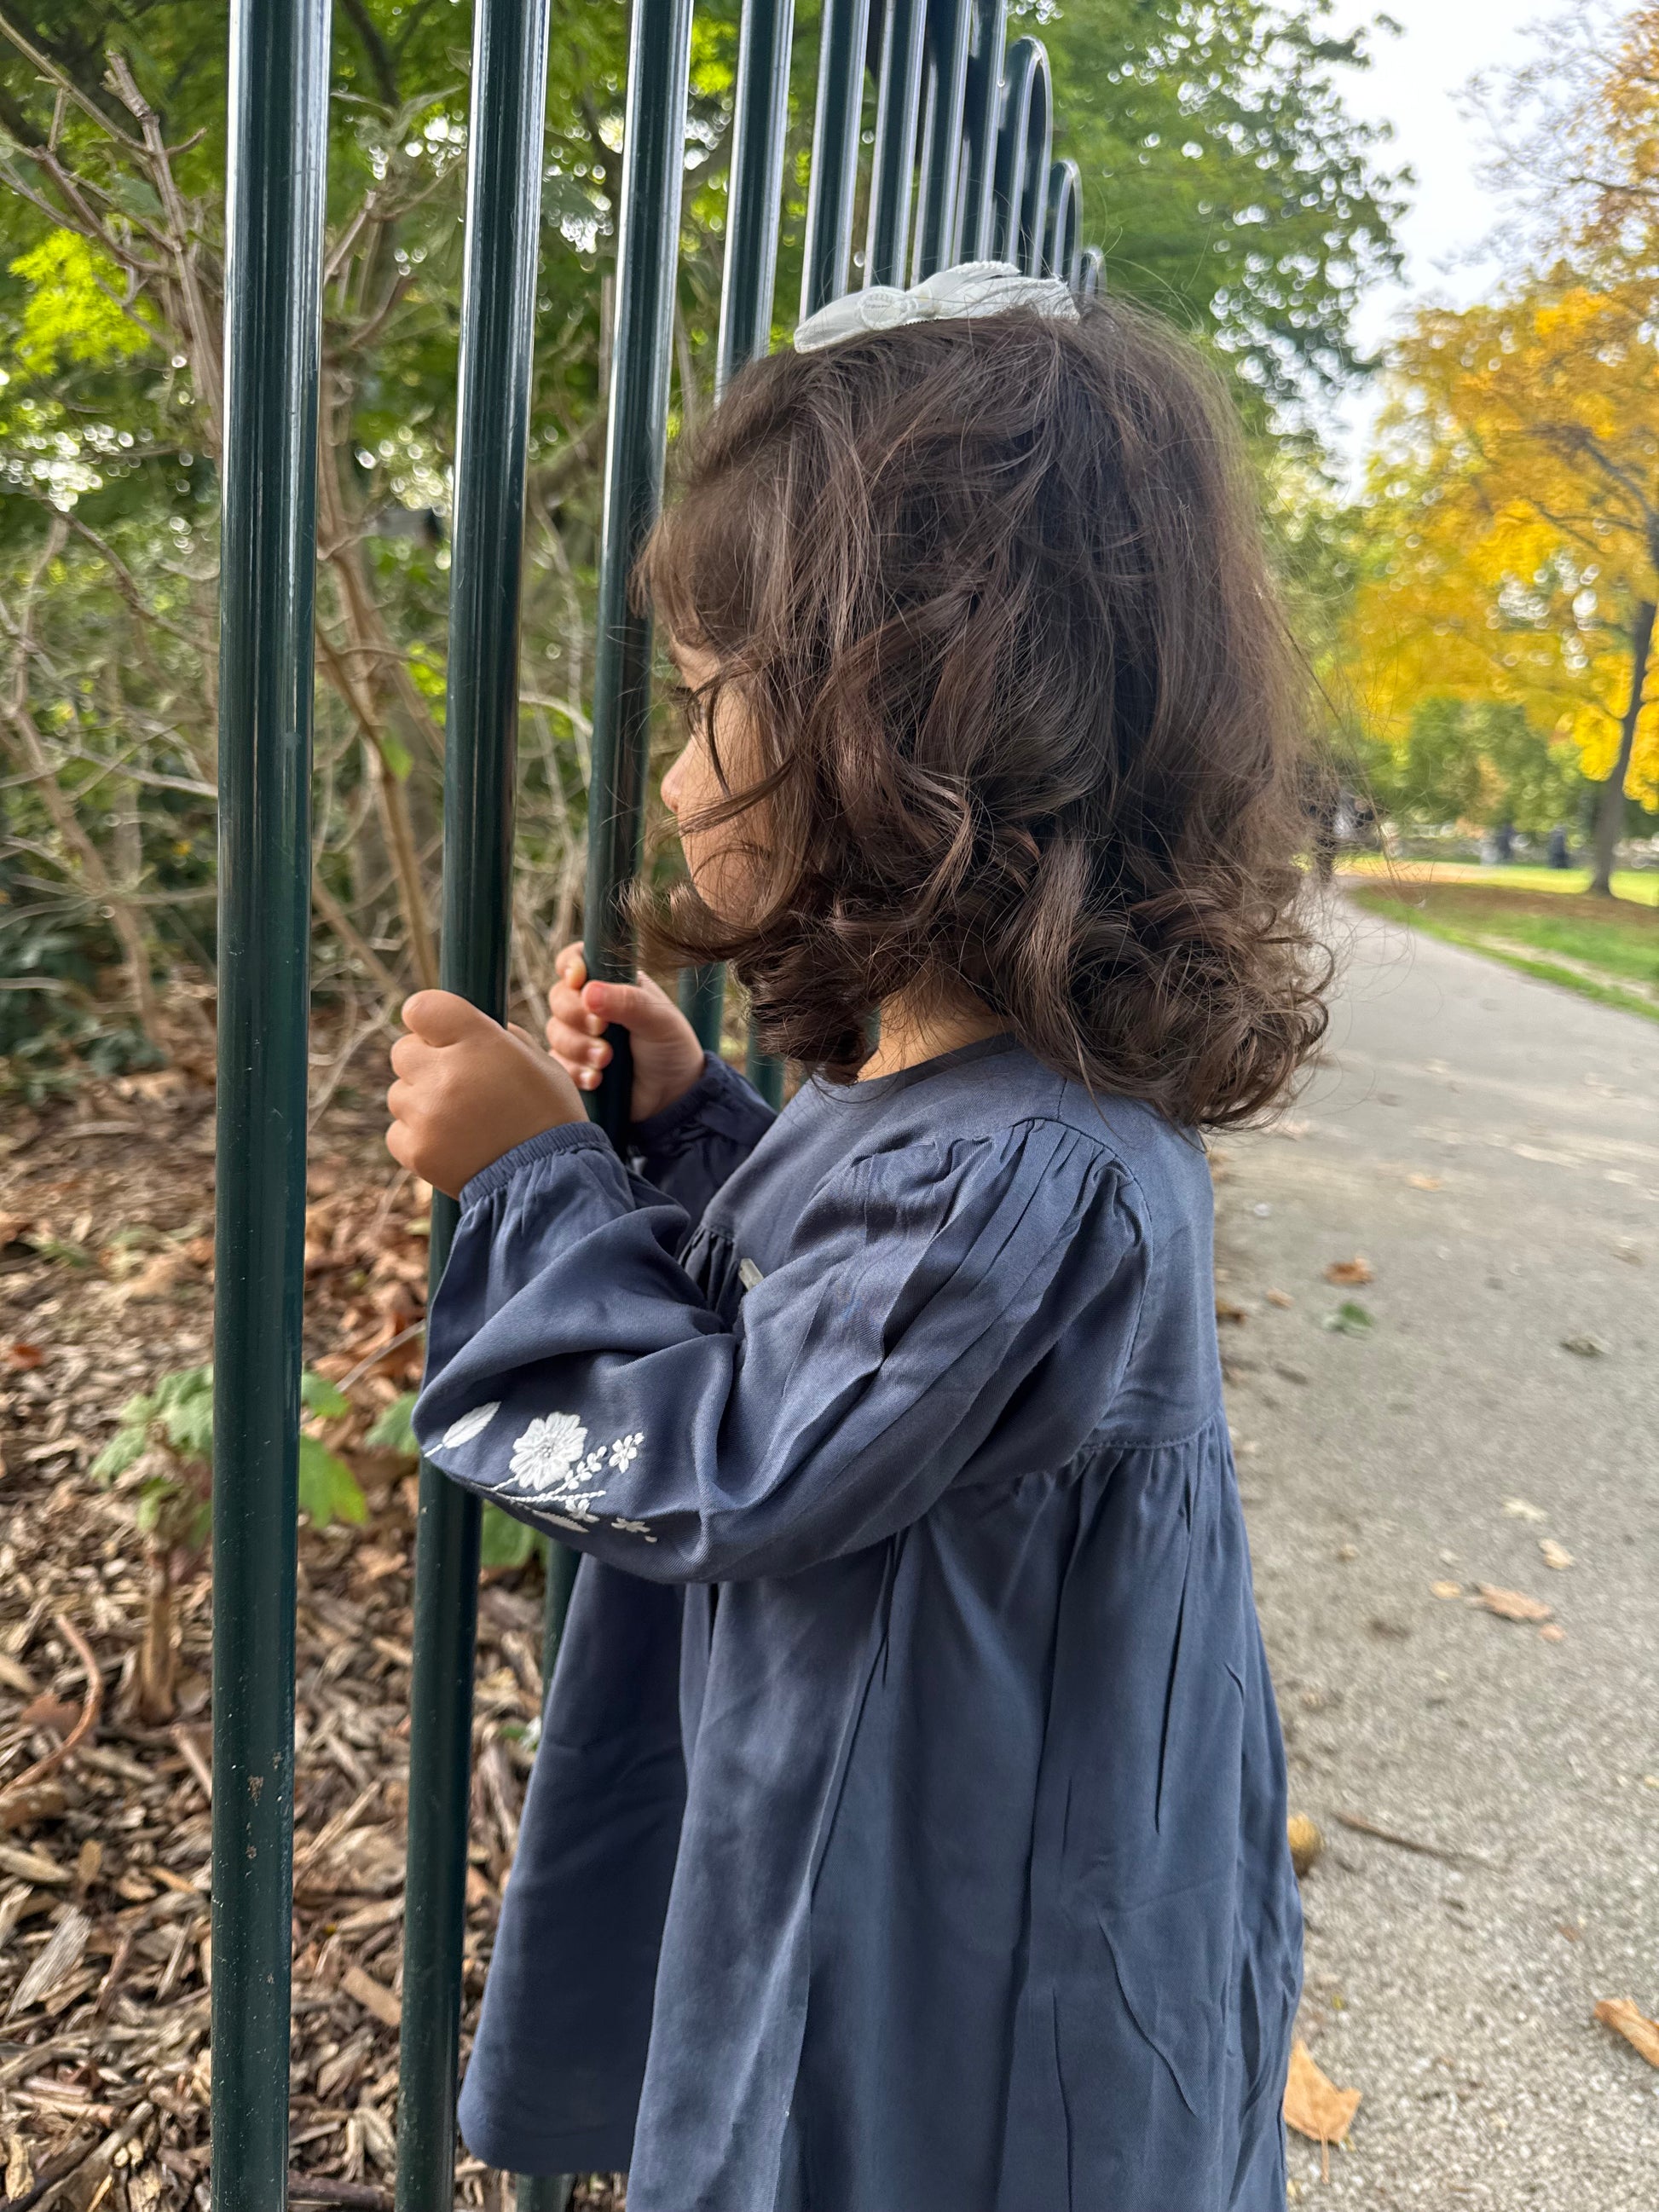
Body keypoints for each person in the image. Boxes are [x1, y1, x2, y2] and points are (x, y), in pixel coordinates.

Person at [386, 269, 1327, 2212]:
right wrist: (686, 1140)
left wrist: (534, 1182)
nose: (671, 774)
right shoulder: (978, 1095)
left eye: (708, 700)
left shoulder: (1020, 1162)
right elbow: (867, 1332)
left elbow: (740, 1460)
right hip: (945, 1781)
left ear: (906, 730)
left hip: (952, 1902)